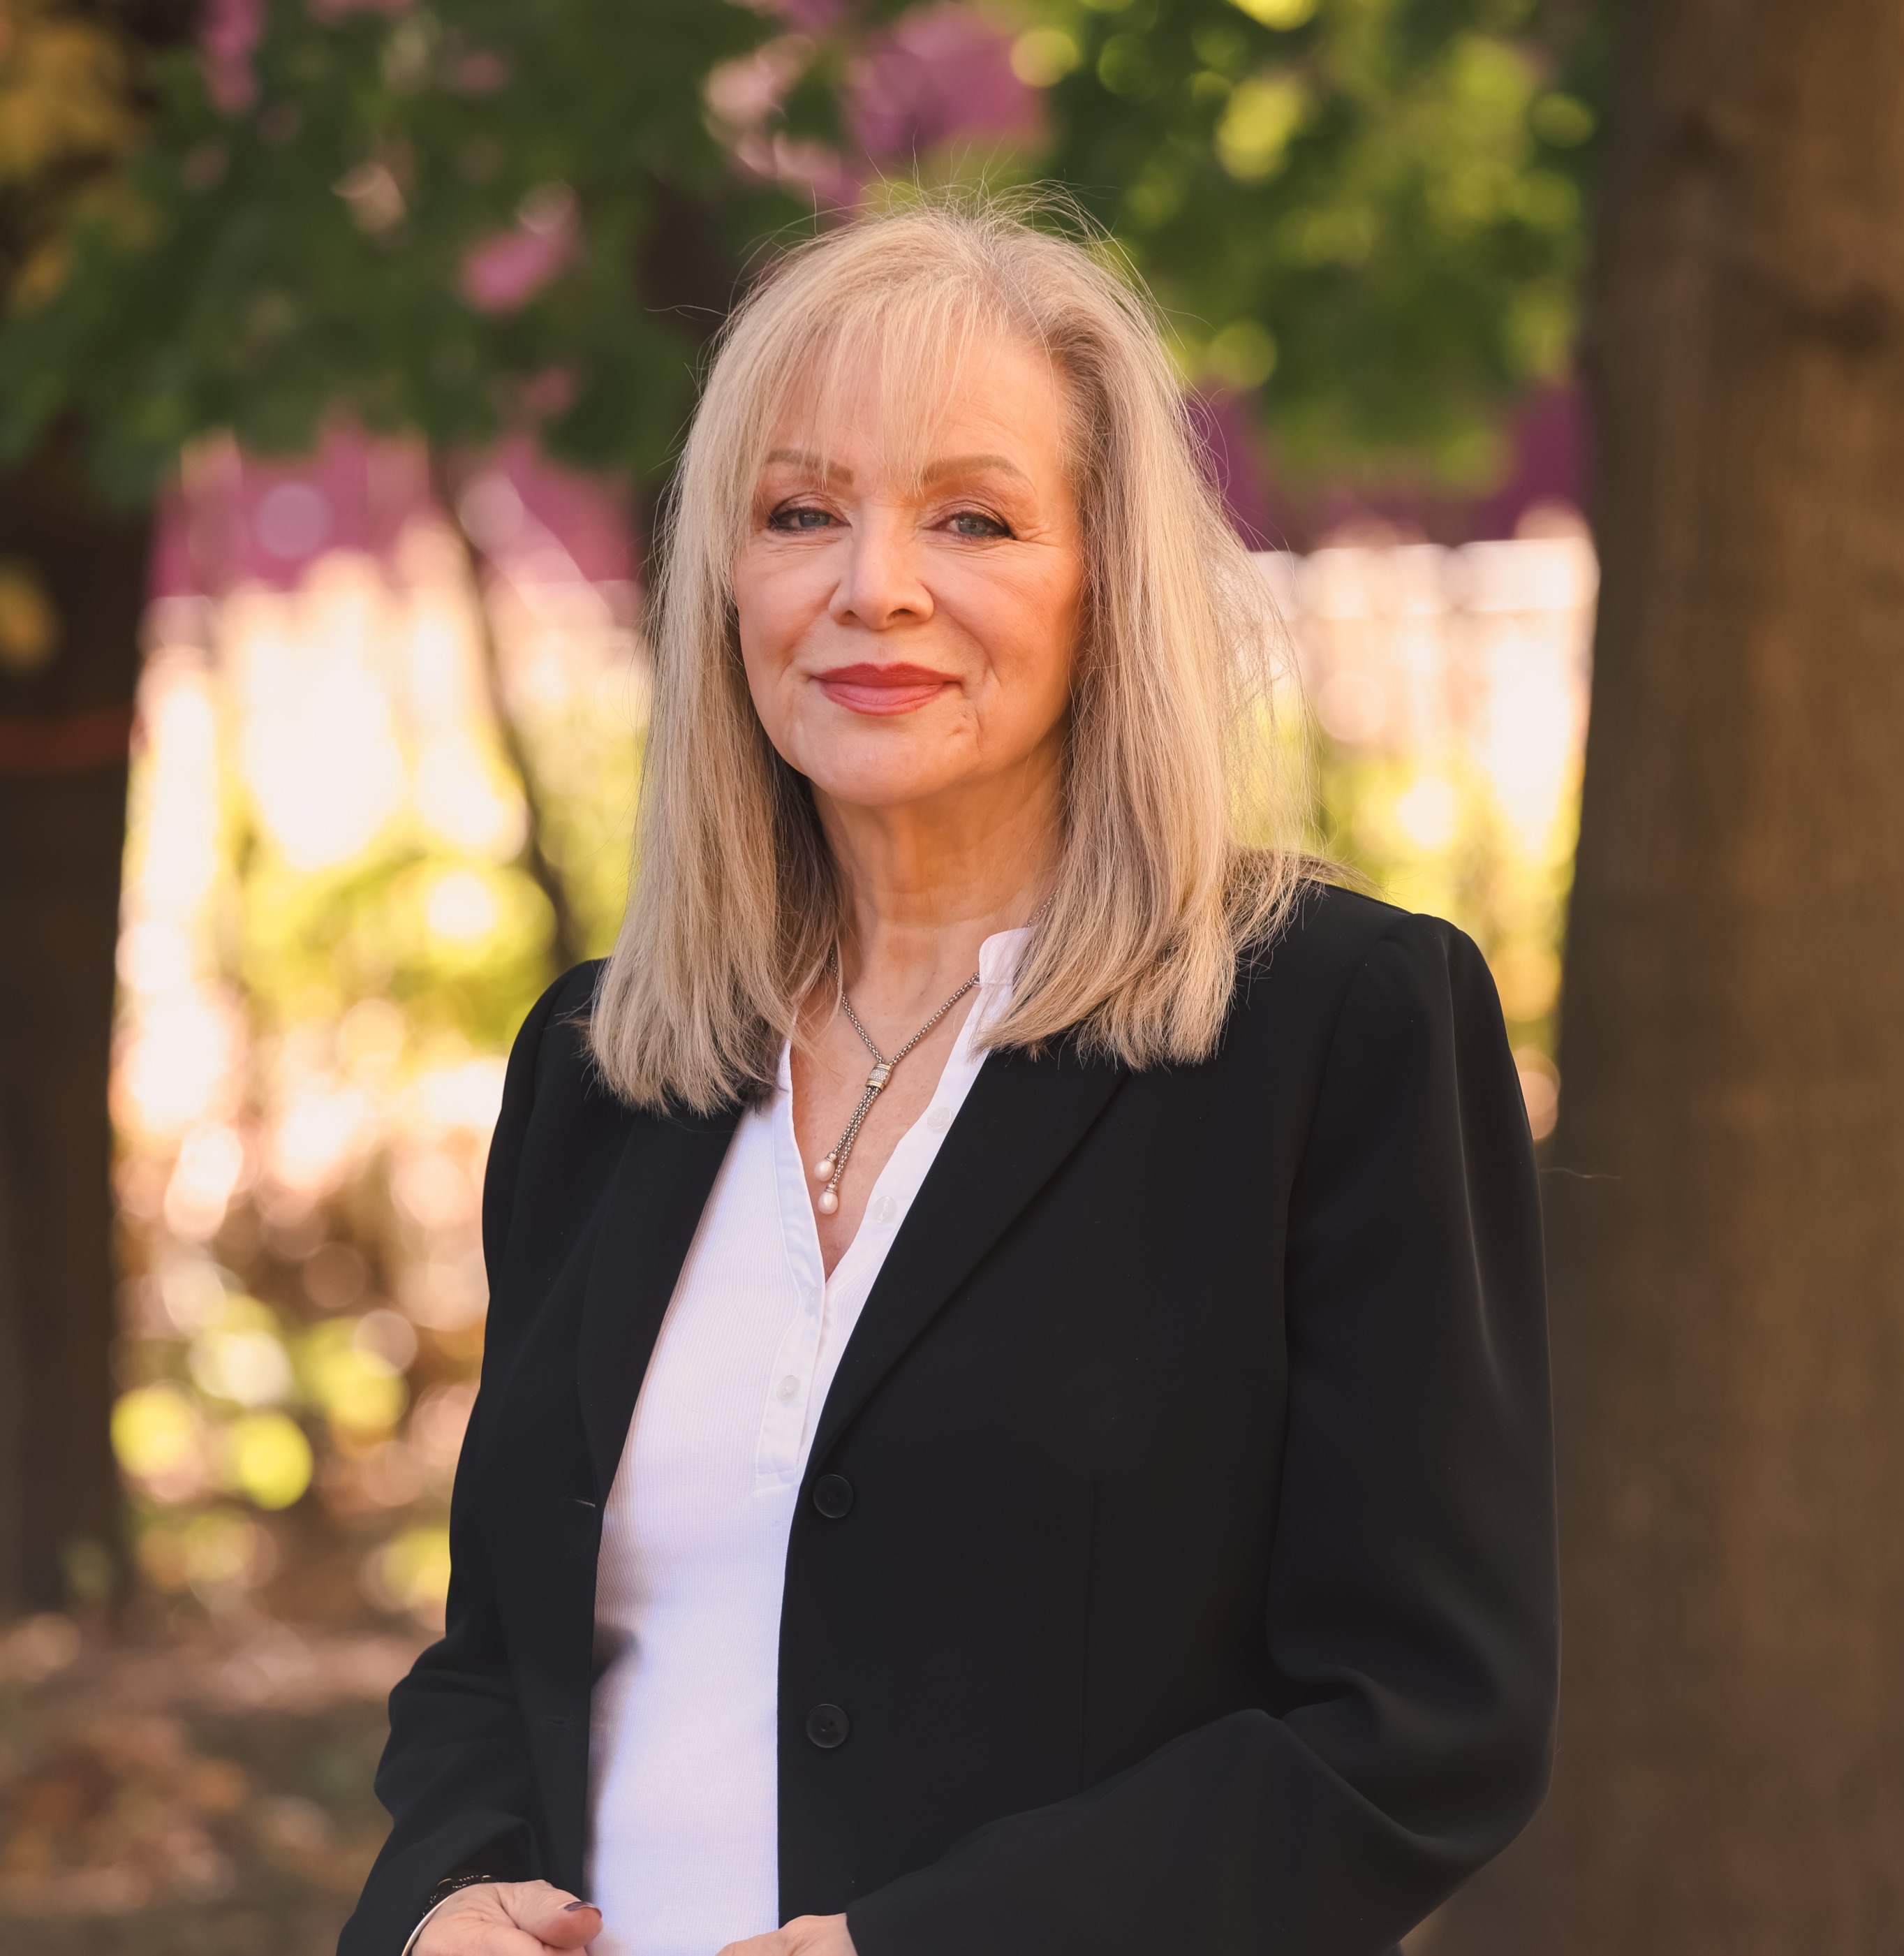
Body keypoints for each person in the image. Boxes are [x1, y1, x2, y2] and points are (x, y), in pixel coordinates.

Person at [339, 193, 1556, 1956]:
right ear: (726, 581)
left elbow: (1424, 1728)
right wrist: (436, 1901)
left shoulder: (1333, 1030)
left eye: (972, 517)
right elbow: (495, 1663)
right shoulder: (603, 1074)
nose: (874, 587)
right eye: (801, 513)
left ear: (1105, 581)